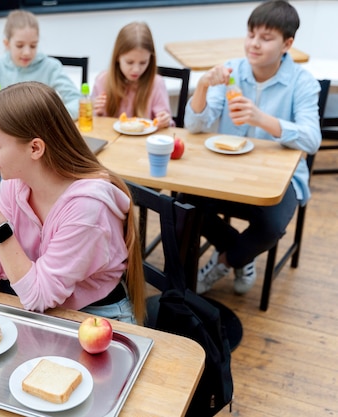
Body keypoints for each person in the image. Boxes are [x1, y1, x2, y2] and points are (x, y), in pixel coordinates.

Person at [0, 81, 146, 325]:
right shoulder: (15, 183)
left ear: (35, 148)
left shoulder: (88, 208)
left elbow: (38, 296)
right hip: (43, 312)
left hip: (96, 318)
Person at [183, 0, 321, 295]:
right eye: (251, 35)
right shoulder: (231, 71)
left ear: (287, 44)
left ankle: (225, 260)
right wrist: (204, 86)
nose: (254, 44)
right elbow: (195, 126)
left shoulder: (303, 83)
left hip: (278, 182)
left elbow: (311, 140)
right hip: (227, 174)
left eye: (266, 38)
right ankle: (242, 254)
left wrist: (264, 120)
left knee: (271, 226)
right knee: (185, 202)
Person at [0, 10, 80, 124]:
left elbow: (77, 101)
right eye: (19, 45)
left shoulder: (51, 67)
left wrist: (52, 120)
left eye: (33, 46)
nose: (27, 52)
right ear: (7, 44)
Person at [92, 21, 172, 129]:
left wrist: (165, 121)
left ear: (151, 59)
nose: (136, 69)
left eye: (143, 62)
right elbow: (94, 126)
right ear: (117, 57)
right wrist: (97, 112)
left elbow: (168, 126)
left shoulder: (156, 84)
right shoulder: (103, 80)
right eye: (129, 62)